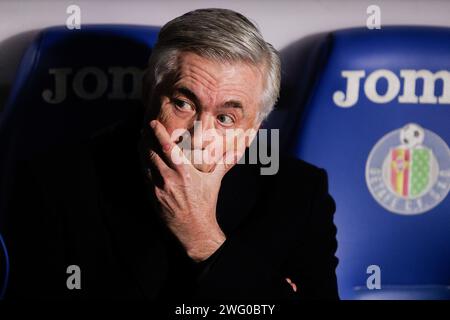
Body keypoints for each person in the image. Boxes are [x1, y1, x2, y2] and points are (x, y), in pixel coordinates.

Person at [2, 8, 339, 300]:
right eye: (183, 103)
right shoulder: (55, 183)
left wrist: (203, 238)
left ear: (255, 128)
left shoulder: (299, 192)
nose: (199, 135)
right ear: (150, 90)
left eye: (226, 118)